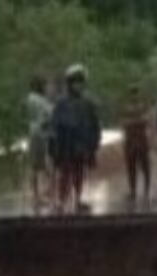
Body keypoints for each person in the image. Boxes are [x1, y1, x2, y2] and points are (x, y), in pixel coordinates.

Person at [49, 65, 103, 214]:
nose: (78, 86)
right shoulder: (61, 103)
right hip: (66, 145)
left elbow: (94, 124)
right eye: (75, 82)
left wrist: (94, 142)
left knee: (79, 172)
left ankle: (77, 199)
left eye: (80, 82)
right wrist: (54, 146)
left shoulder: (87, 103)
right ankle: (62, 201)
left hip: (81, 145)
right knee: (65, 173)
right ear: (70, 84)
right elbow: (55, 126)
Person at [25, 77, 56, 213]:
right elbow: (50, 114)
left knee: (35, 166)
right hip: (41, 134)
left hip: (33, 132)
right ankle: (47, 194)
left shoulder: (31, 99)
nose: (49, 88)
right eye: (47, 85)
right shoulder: (40, 101)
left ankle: (37, 196)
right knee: (45, 165)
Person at [120, 82, 154, 206]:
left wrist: (133, 122)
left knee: (144, 168)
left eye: (135, 92)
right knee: (132, 168)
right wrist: (138, 121)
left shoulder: (141, 106)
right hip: (132, 142)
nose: (134, 95)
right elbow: (124, 123)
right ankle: (134, 191)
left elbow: (146, 120)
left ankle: (145, 191)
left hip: (139, 141)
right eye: (132, 93)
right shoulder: (128, 108)